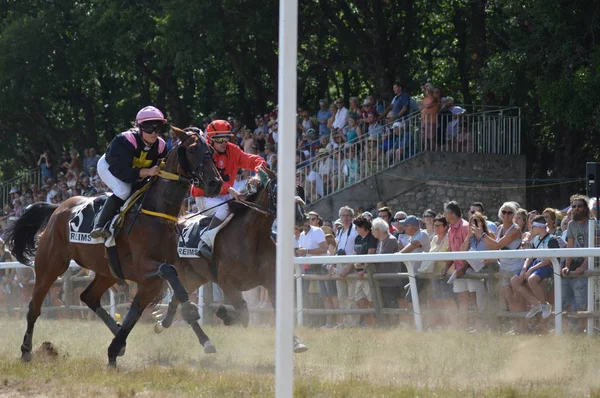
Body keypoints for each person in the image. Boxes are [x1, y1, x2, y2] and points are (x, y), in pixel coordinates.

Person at [90, 106, 169, 239]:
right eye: (149, 128)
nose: (154, 133)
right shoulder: (124, 140)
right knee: (123, 191)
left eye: (157, 129)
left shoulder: (161, 146)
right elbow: (123, 172)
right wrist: (147, 171)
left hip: (133, 171)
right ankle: (100, 225)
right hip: (110, 167)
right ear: (139, 128)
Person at [191, 120, 267, 260]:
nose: (224, 142)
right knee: (226, 208)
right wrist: (231, 190)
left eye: (226, 138)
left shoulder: (233, 150)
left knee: (248, 208)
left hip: (226, 195)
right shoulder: (203, 154)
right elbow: (211, 182)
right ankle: (205, 241)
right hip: (205, 197)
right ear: (210, 140)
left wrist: (258, 174)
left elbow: (255, 160)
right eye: (219, 140)